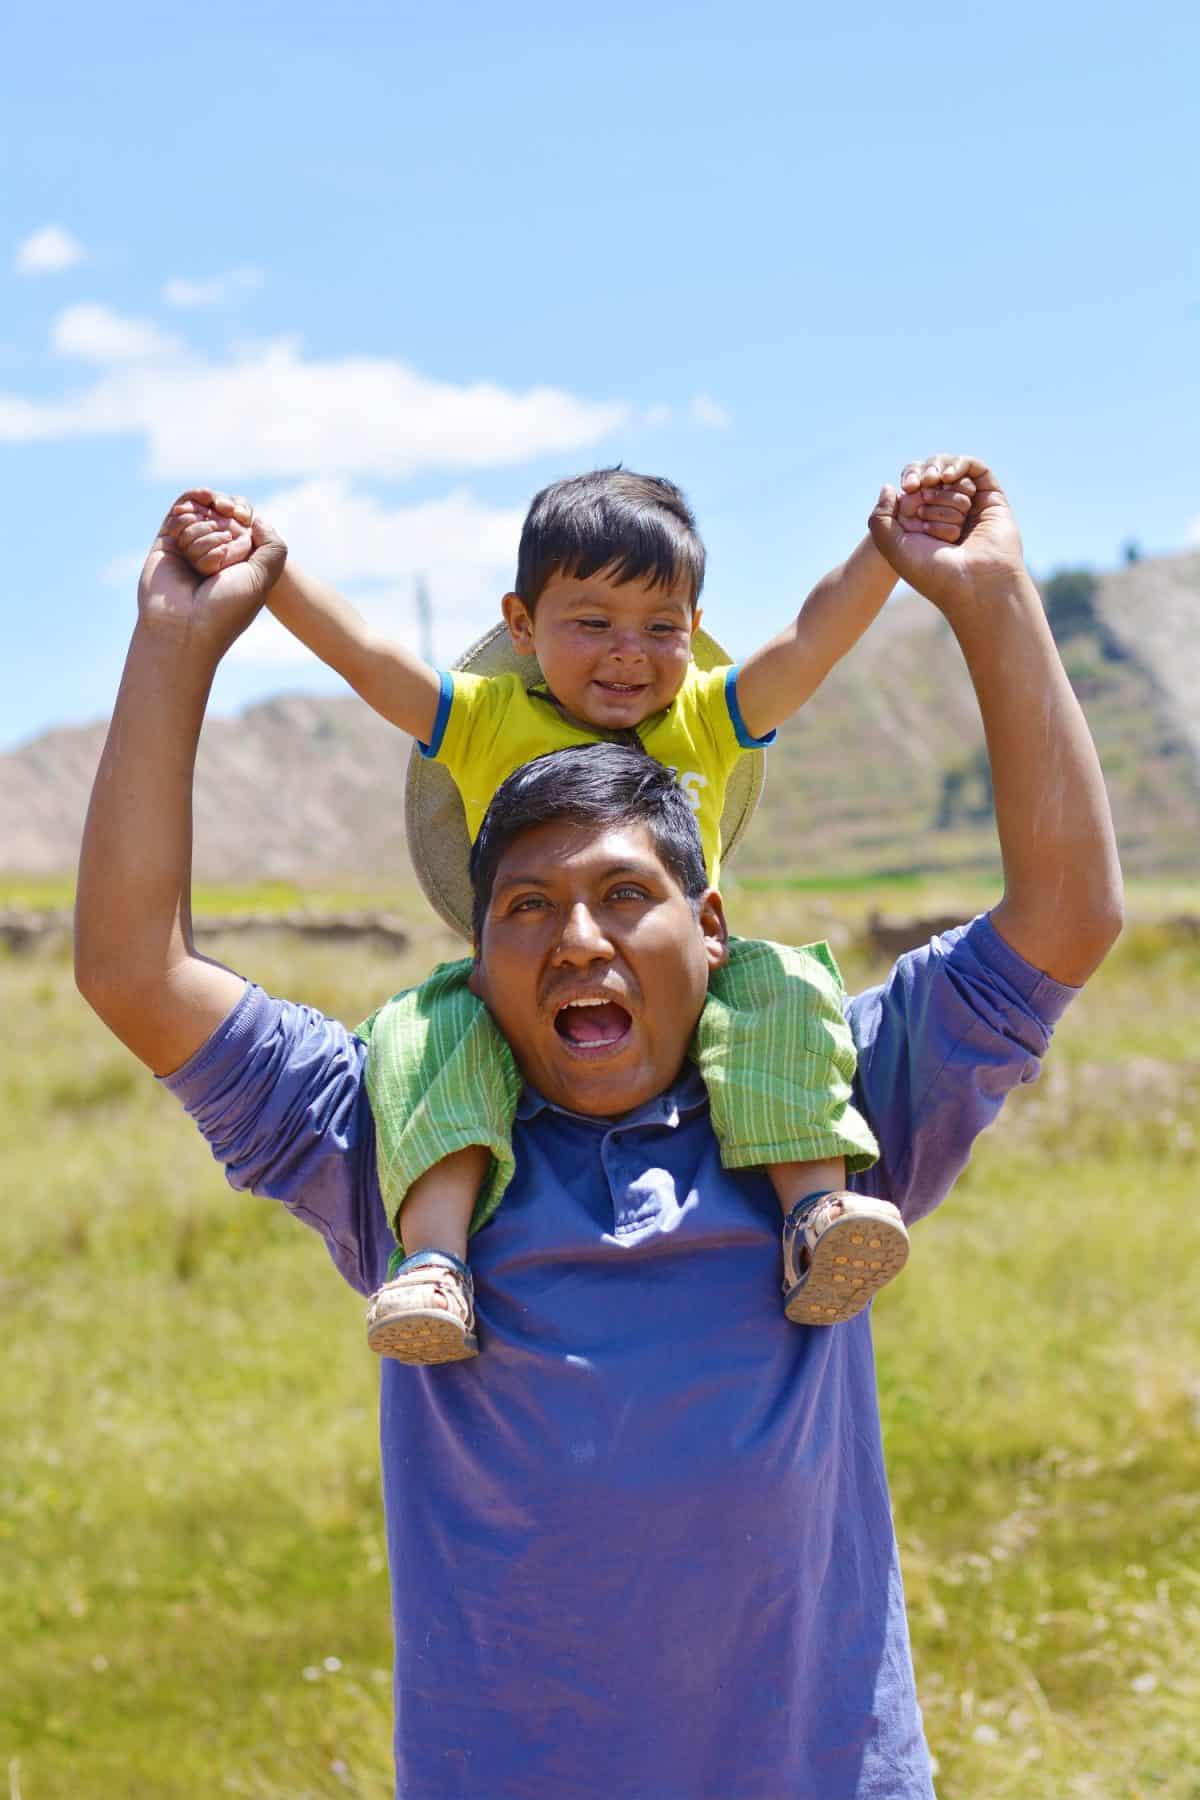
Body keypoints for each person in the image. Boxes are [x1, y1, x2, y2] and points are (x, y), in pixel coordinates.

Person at [75, 456, 1122, 1798]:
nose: (577, 940)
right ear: (472, 952)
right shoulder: (395, 1133)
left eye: (627, 897)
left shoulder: (829, 1093)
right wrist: (174, 647)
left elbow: (1066, 918)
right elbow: (131, 971)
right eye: (526, 908)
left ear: (714, 929)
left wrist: (991, 601)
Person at [162, 462, 975, 1361]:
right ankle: (433, 1265)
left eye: (661, 627)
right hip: (522, 988)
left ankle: (817, 1214)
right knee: (427, 1038)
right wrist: (270, 568)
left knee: (780, 984)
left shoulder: (707, 717)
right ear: (522, 624)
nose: (628, 651)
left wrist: (887, 546)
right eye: (592, 623)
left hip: (684, 987)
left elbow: (811, 641)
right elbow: (366, 656)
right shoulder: (483, 721)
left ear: (695, 632)